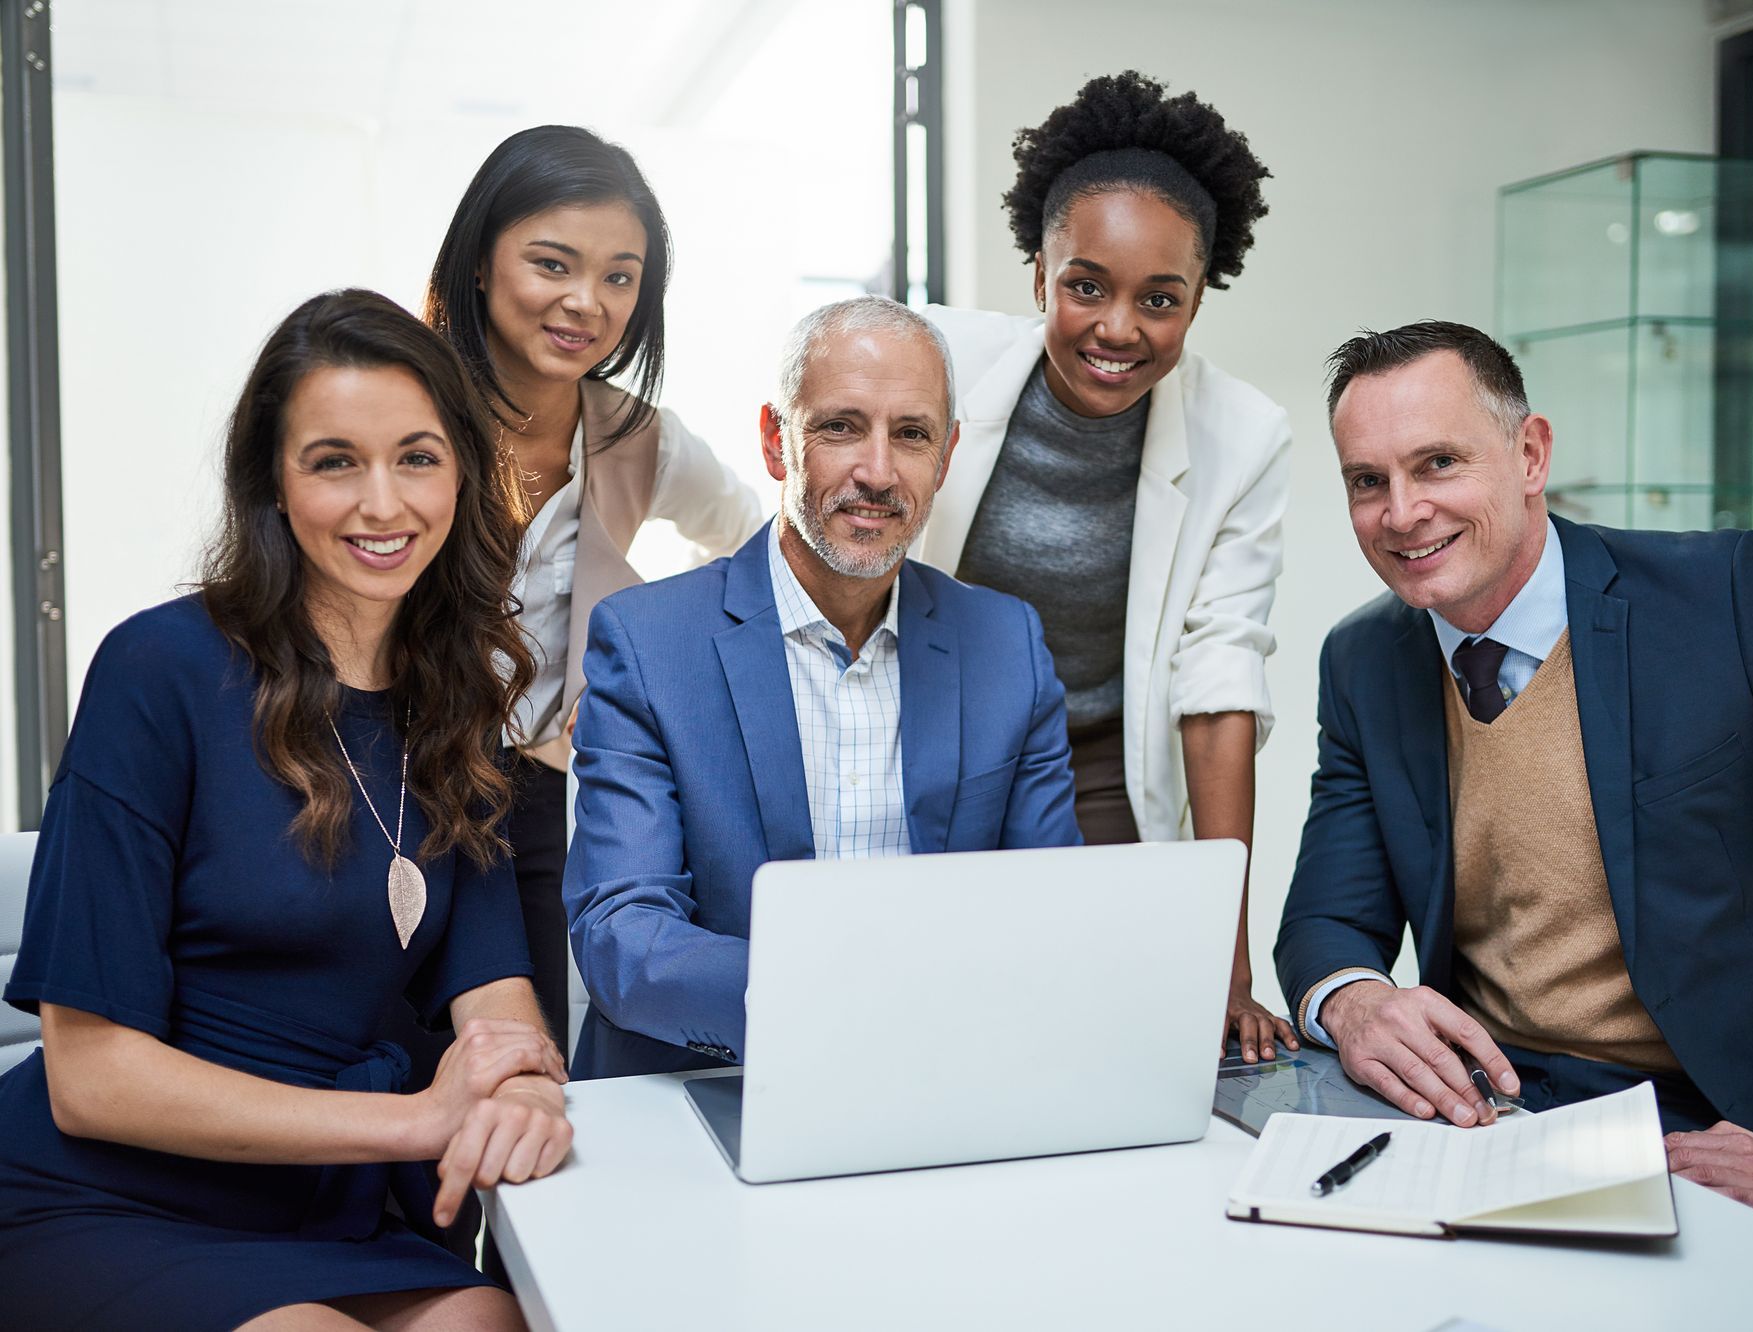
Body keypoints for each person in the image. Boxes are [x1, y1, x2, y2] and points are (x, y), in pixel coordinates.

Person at [1274, 319, 1753, 1268]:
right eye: (1367, 481)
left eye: (1438, 462)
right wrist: (1356, 999)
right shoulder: (1363, 658)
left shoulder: (1723, 599)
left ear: (1529, 453)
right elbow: (1328, 916)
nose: (1402, 511)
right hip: (1508, 1122)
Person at [0, 290, 574, 1330]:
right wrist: (415, 1121)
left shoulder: (454, 705)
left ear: (462, 473)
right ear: (273, 478)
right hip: (108, 1197)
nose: (383, 503)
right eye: (334, 461)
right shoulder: (158, 670)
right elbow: (90, 1075)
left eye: (417, 456)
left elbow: (495, 993)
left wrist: (524, 1087)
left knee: (500, 1321)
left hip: (338, 1204)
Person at [564, 296, 1082, 1080]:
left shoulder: (1009, 646)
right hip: (712, 1083)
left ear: (944, 459)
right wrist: (850, 1001)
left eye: (910, 434)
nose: (877, 472)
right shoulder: (646, 643)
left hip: (943, 1081)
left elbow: (1048, 915)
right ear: (777, 442)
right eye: (840, 426)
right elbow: (625, 941)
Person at [915, 72, 1296, 1063]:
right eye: (1087, 285)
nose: (1118, 327)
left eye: (1159, 299)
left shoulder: (1243, 436)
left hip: (1097, 782)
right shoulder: (935, 361)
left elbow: (1219, 687)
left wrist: (1230, 958)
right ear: (1040, 277)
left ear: (1197, 300)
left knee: (1101, 1052)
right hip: (922, 757)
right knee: (931, 1031)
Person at [422, 124, 763, 1042]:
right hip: (392, 773)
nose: (587, 301)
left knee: (531, 1061)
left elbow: (759, 547)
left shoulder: (635, 435)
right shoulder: (405, 402)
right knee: (388, 1048)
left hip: (532, 796)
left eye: (620, 276)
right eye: (553, 263)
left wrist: (646, 668)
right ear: (482, 262)